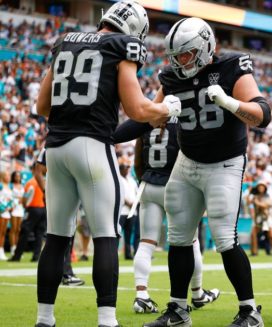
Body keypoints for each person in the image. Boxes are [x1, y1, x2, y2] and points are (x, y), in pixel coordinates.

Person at [33, 1, 180, 326]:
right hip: (92, 147)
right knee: (105, 235)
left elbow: (42, 105)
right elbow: (138, 109)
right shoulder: (121, 45)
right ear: (135, 30)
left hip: (55, 148)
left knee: (56, 237)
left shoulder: (66, 41)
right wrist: (166, 110)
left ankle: (44, 319)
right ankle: (107, 320)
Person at [144, 17, 271, 327]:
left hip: (225, 163)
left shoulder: (232, 67)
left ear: (203, 48)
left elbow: (263, 114)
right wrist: (161, 111)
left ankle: (249, 311)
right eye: (174, 55)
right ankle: (177, 310)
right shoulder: (172, 76)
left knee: (225, 238)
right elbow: (152, 119)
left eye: (184, 54)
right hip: (187, 162)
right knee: (178, 237)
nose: (178, 62)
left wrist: (229, 102)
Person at [112, 117, 220, 314]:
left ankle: (141, 295)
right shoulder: (184, 123)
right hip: (175, 187)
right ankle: (196, 293)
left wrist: (145, 179)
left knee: (146, 243)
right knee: (191, 242)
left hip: (149, 185)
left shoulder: (148, 122)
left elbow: (138, 161)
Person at [9, 155, 47, 262]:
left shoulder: (30, 182)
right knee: (39, 234)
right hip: (43, 209)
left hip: (33, 209)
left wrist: (25, 206)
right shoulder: (44, 182)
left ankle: (17, 256)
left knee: (25, 232)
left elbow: (25, 199)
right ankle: (36, 256)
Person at [250, 181, 272, 256]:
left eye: (262, 187)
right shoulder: (254, 196)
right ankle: (254, 253)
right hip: (258, 218)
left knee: (271, 235)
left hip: (267, 217)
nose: (261, 188)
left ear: (265, 188)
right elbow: (249, 203)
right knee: (253, 234)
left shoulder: (267, 196)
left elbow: (266, 205)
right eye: (259, 187)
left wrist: (257, 202)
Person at [118, 156, 139, 260]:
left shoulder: (132, 180)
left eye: (128, 167)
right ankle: (113, 252)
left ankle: (128, 254)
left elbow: (136, 193)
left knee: (128, 233)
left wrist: (135, 204)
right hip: (122, 211)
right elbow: (120, 194)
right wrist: (128, 203)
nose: (126, 169)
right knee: (117, 232)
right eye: (124, 167)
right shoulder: (118, 178)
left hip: (132, 211)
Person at [9, 171, 25, 256]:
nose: (17, 177)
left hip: (21, 209)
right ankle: (13, 248)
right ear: (13, 177)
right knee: (13, 229)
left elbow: (24, 197)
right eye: (16, 176)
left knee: (18, 230)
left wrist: (22, 199)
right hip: (14, 208)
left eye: (19, 176)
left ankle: (17, 249)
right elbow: (9, 196)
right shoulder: (11, 185)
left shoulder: (22, 186)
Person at [0, 169, 13, 260]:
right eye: (6, 175)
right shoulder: (0, 185)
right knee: (0, 232)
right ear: (2, 176)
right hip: (1, 211)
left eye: (9, 175)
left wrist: (9, 206)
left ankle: (1, 250)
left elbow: (10, 199)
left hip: (7, 211)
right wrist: (2, 208)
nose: (8, 177)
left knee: (4, 232)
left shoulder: (9, 186)